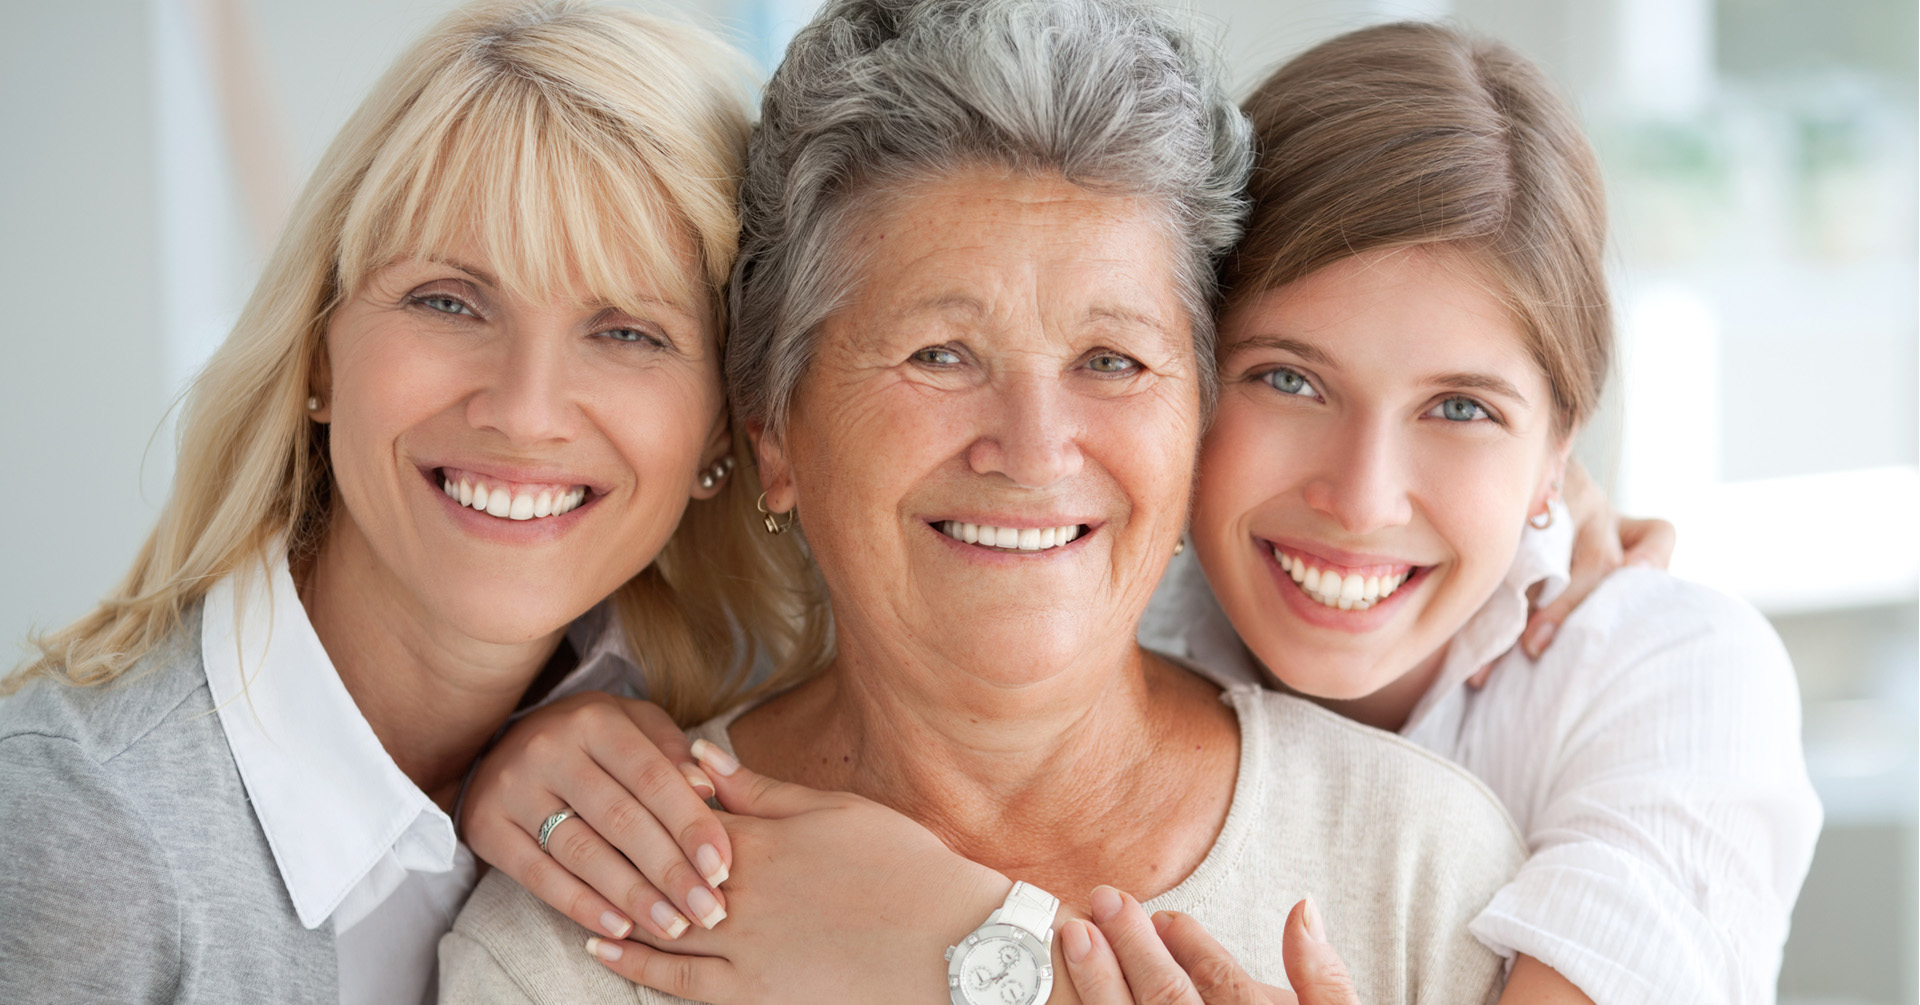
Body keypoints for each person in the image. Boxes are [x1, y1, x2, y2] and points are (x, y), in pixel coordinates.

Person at [439, 2, 1532, 1003]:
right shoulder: (581, 935)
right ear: (774, 433)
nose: (1034, 449)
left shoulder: (1423, 868)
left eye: (1112, 360)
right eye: (941, 352)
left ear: (1197, 421)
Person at [0, 2, 812, 1002]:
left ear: (722, 431)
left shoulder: (747, 736)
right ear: (317, 353)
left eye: (629, 332)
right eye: (448, 301)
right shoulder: (77, 833)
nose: (525, 412)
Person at [1142, 22, 1820, 1003]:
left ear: (1561, 444)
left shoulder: (1666, 678)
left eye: (1461, 409)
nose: (1363, 498)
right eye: (1288, 380)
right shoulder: (1101, 627)